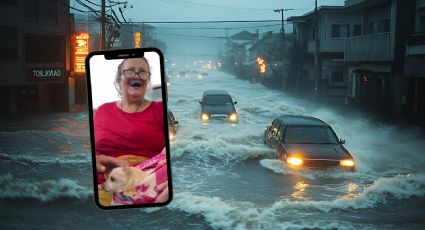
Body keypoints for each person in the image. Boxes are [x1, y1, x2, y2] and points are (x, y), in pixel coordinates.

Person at [94, 57, 168, 206]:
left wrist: (169, 176)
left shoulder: (161, 110)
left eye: (142, 73)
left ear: (147, 82)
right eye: (129, 71)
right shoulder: (102, 110)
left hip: (148, 191)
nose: (136, 76)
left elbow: (181, 149)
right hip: (103, 191)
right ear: (119, 79)